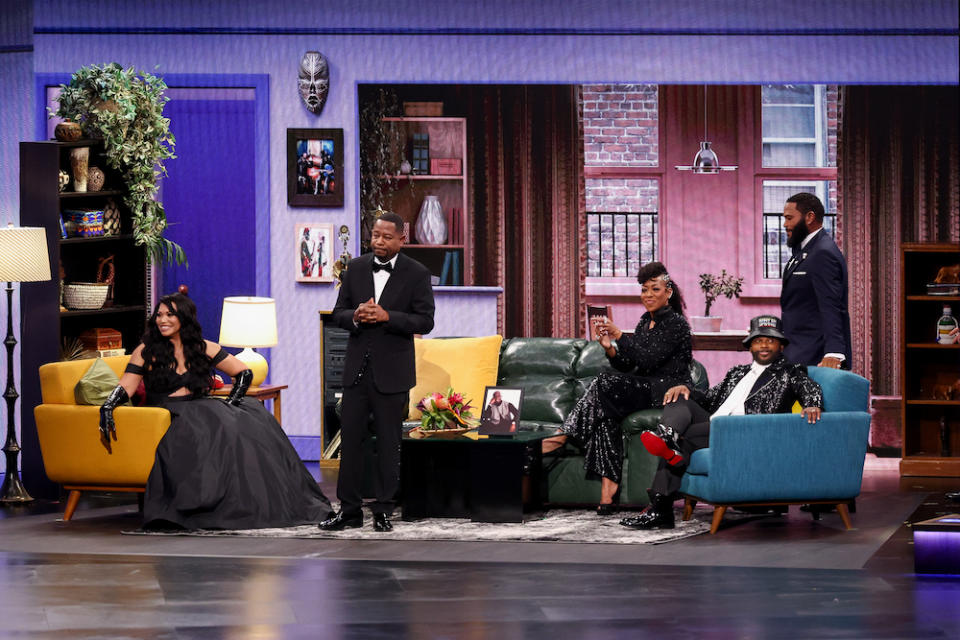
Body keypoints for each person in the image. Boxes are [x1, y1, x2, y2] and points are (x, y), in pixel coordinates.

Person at [98, 293, 333, 530]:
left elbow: (243, 373)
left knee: (251, 417)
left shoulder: (203, 347)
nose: (163, 320)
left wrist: (233, 401)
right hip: (166, 412)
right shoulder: (146, 350)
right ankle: (203, 506)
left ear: (184, 318)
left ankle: (253, 501)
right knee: (212, 425)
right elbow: (128, 384)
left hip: (200, 405)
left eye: (170, 314)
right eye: (159, 315)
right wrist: (108, 405)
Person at [621, 314, 824, 530]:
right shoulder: (737, 373)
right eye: (758, 340)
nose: (764, 345)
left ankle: (660, 508)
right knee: (680, 399)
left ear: (781, 346)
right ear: (750, 346)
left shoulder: (790, 372)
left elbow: (810, 388)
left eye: (770, 340)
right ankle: (668, 437)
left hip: (743, 430)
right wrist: (687, 389)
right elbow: (709, 398)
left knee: (682, 440)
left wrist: (812, 403)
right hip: (715, 425)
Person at [541, 261, 693, 515]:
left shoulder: (676, 324)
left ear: (668, 292)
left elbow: (648, 360)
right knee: (604, 417)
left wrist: (621, 335)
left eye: (655, 289)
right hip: (644, 386)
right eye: (644, 290)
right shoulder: (646, 321)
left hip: (663, 391)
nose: (648, 296)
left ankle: (561, 436)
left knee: (603, 381)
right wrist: (609, 346)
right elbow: (630, 365)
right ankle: (607, 496)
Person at [320, 212, 435, 532]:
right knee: (351, 443)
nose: (379, 242)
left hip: (392, 373)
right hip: (357, 371)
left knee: (388, 445)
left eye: (386, 237)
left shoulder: (417, 273)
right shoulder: (355, 269)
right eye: (375, 236)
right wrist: (355, 316)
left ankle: (383, 509)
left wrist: (388, 316)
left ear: (402, 238)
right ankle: (349, 511)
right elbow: (338, 312)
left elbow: (425, 321)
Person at [780, 192, 851, 369]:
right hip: (798, 351)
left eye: (790, 218)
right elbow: (801, 306)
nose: (785, 224)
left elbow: (831, 306)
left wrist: (834, 352)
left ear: (810, 217)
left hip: (815, 357)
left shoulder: (822, 252)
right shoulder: (804, 250)